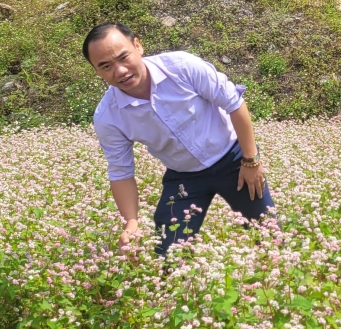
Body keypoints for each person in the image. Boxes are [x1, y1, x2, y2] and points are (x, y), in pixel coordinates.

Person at [83, 21, 273, 254]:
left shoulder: (181, 66)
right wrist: (131, 222)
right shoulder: (108, 116)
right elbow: (121, 172)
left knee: (269, 236)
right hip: (184, 177)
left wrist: (251, 160)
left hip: (234, 160)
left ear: (138, 45)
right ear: (96, 71)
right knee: (167, 252)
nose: (120, 71)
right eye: (105, 66)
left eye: (123, 57)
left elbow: (234, 103)